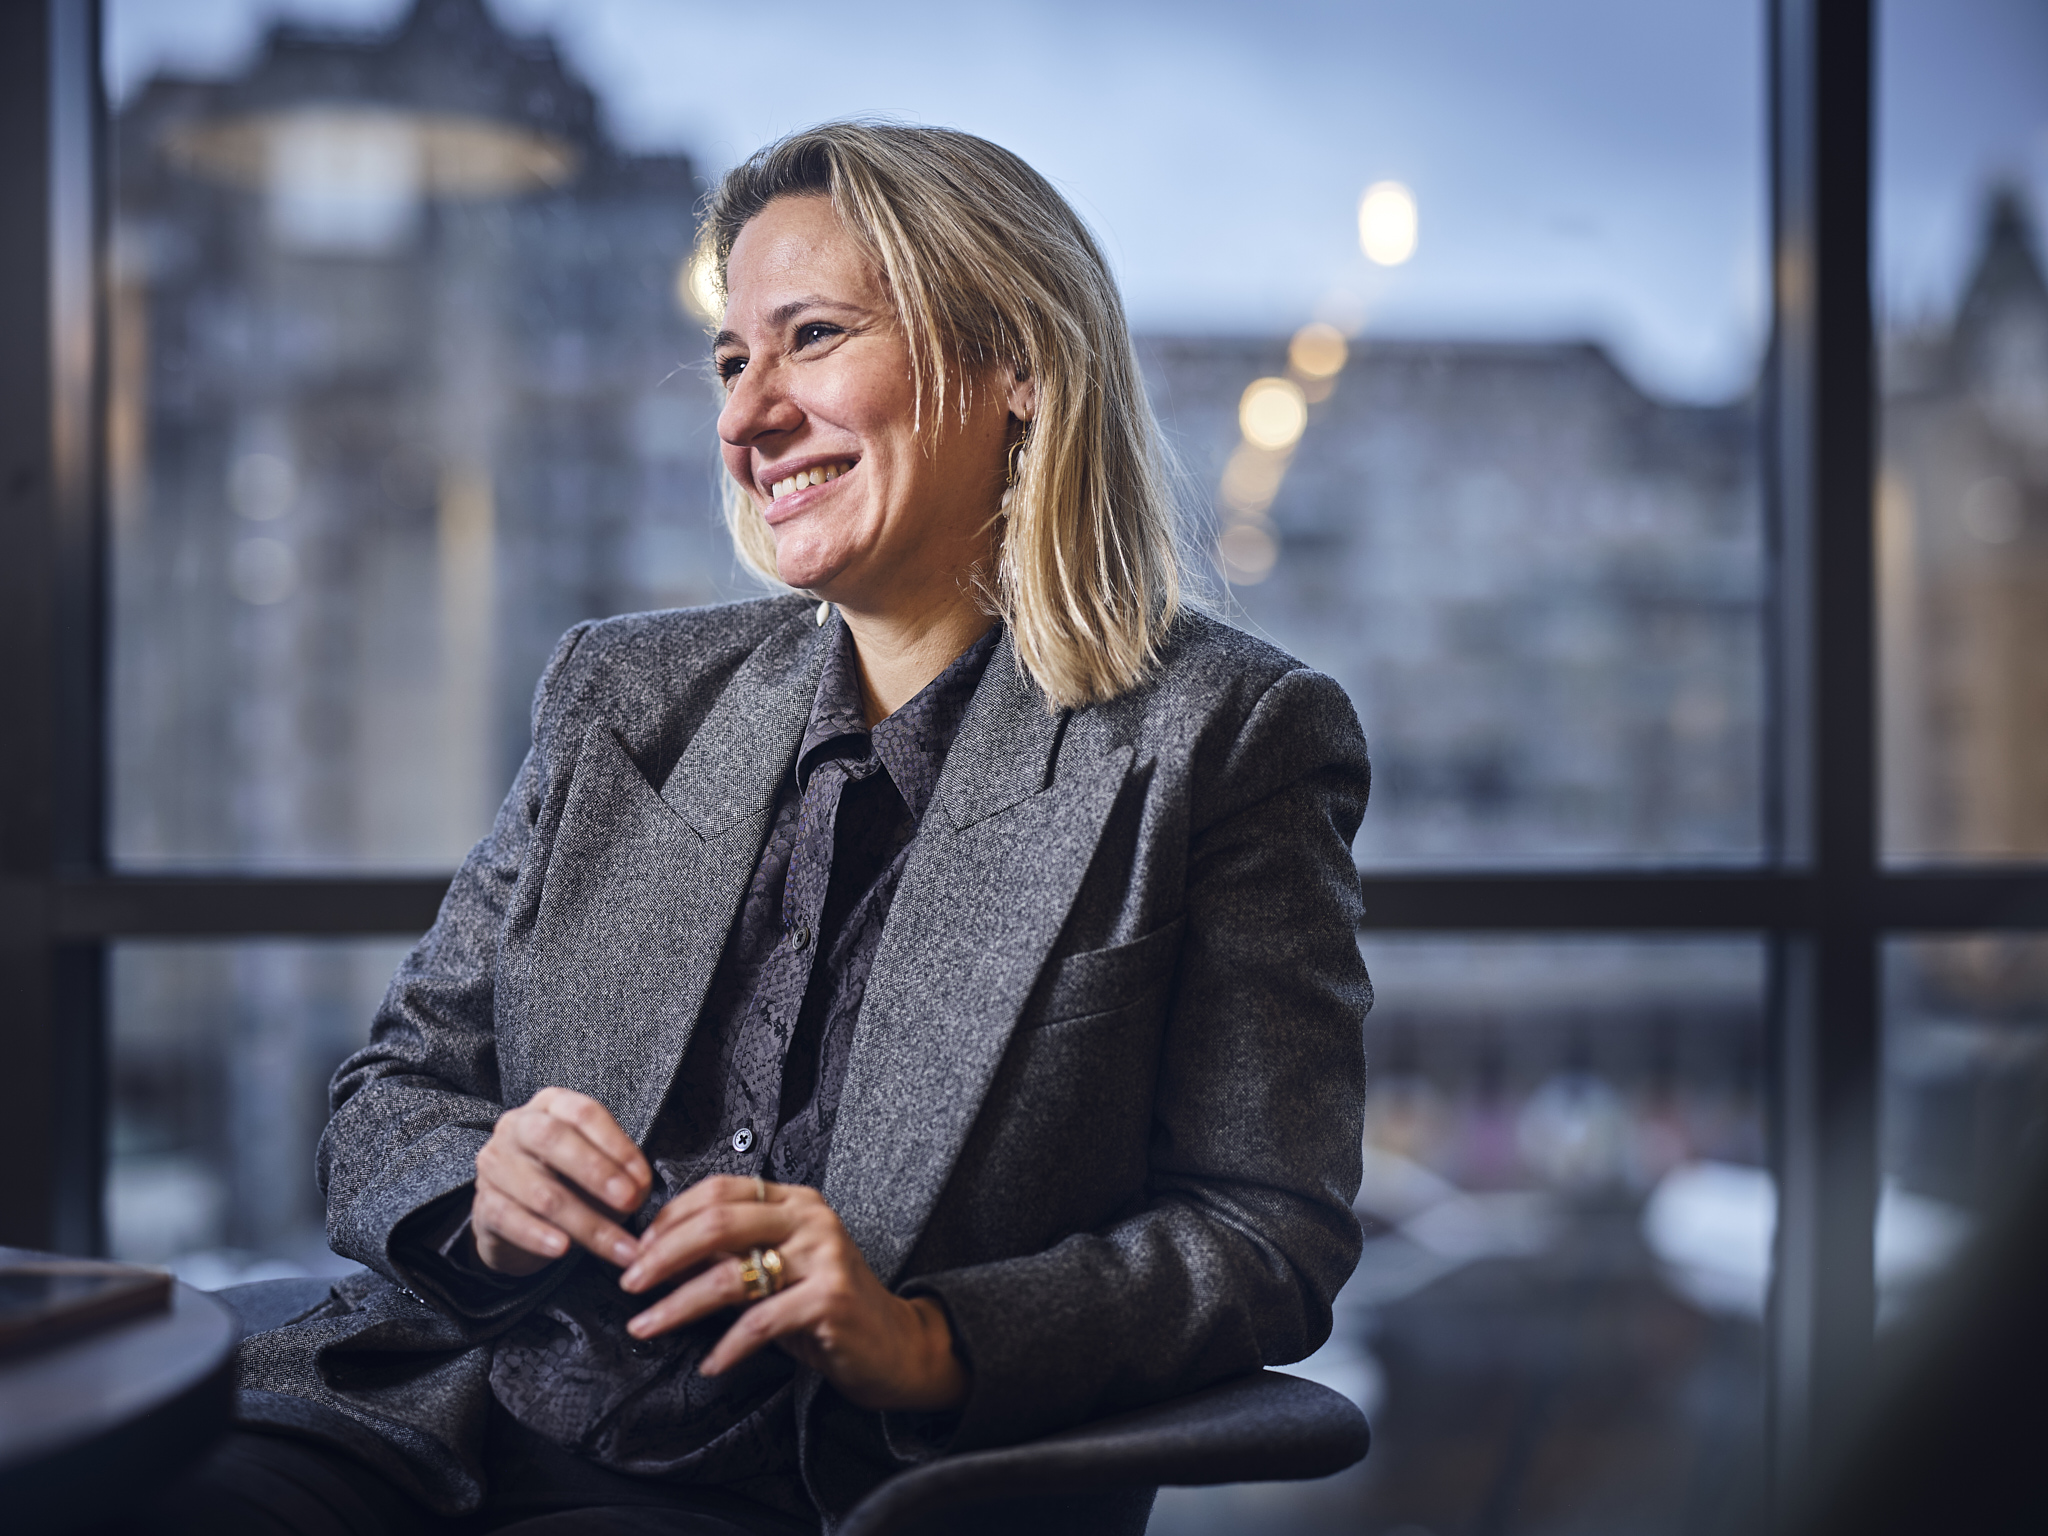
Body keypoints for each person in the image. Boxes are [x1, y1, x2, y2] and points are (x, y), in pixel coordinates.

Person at [169, 121, 1373, 1535]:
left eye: (810, 338)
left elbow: (1265, 1232)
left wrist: (927, 1338)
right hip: (438, 1410)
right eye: (734, 361)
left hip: (814, 1482)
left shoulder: (1223, 741)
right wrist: (480, 1193)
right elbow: (390, 1096)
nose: (745, 417)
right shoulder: (623, 693)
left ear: (1021, 366)